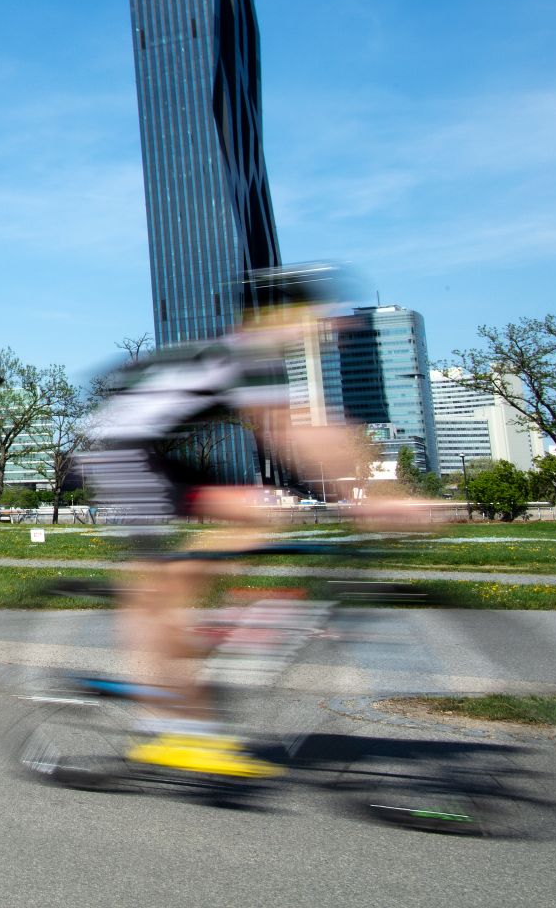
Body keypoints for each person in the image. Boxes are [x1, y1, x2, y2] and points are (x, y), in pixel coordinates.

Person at [76, 263, 425, 778]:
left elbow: (316, 430)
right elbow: (298, 437)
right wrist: (376, 495)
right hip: (120, 452)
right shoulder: (247, 353)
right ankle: (168, 727)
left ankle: (191, 617)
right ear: (282, 317)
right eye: (319, 316)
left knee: (259, 511)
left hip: (156, 447)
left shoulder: (253, 359)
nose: (333, 326)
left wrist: (373, 490)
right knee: (155, 590)